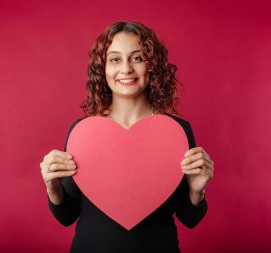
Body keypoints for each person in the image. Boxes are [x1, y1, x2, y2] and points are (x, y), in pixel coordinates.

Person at [39, 21, 214, 253]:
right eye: (115, 59)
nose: (126, 69)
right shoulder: (83, 132)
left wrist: (197, 190)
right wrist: (52, 186)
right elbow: (67, 216)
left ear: (152, 66)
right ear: (103, 69)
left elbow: (190, 218)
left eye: (137, 58)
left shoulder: (177, 131)